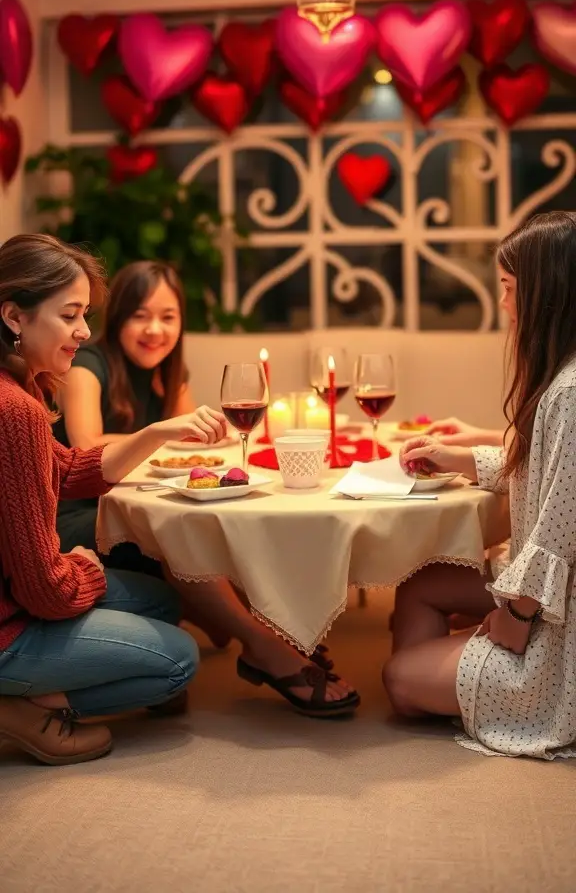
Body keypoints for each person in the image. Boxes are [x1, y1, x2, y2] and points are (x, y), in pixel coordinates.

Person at [53, 259, 359, 720]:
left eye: (168, 317)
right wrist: (162, 431)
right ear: (117, 318)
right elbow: (87, 447)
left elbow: (188, 446)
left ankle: (252, 627)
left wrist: (203, 439)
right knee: (182, 540)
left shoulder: (169, 371)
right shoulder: (87, 365)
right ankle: (263, 645)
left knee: (221, 519)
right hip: (80, 514)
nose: (154, 329)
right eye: (140, 315)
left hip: (137, 503)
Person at [0, 234, 227, 765]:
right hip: (10, 620)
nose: (84, 330)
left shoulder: (21, 390)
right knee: (178, 662)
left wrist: (156, 433)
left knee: (163, 601)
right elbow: (45, 592)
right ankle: (19, 707)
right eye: (70, 314)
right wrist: (86, 571)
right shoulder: (17, 411)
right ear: (14, 316)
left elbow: (66, 469)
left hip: (15, 595)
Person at [384, 211, 576, 759]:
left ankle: (473, 684)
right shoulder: (561, 375)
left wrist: (515, 619)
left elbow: (557, 534)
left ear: (549, 292)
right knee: (420, 581)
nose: (504, 304)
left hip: (559, 621)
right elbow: (545, 468)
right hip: (549, 596)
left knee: (397, 678)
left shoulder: (571, 389)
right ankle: (457, 680)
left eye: (510, 289)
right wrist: (461, 457)